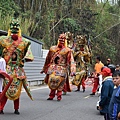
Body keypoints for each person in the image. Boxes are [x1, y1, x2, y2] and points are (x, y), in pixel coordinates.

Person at [0, 13, 34, 114]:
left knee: (17, 91)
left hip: (18, 70)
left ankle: (16, 108)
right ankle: (1, 108)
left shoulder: (25, 42)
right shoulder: (3, 40)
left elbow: (29, 55)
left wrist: (23, 60)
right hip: (7, 69)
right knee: (4, 90)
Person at [40, 33, 76, 101]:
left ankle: (59, 96)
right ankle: (51, 95)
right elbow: (47, 59)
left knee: (60, 83)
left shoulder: (68, 50)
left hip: (62, 69)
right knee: (52, 82)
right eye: (60, 39)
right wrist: (44, 69)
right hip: (52, 68)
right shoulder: (52, 49)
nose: (61, 41)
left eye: (63, 39)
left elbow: (72, 61)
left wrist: (73, 70)